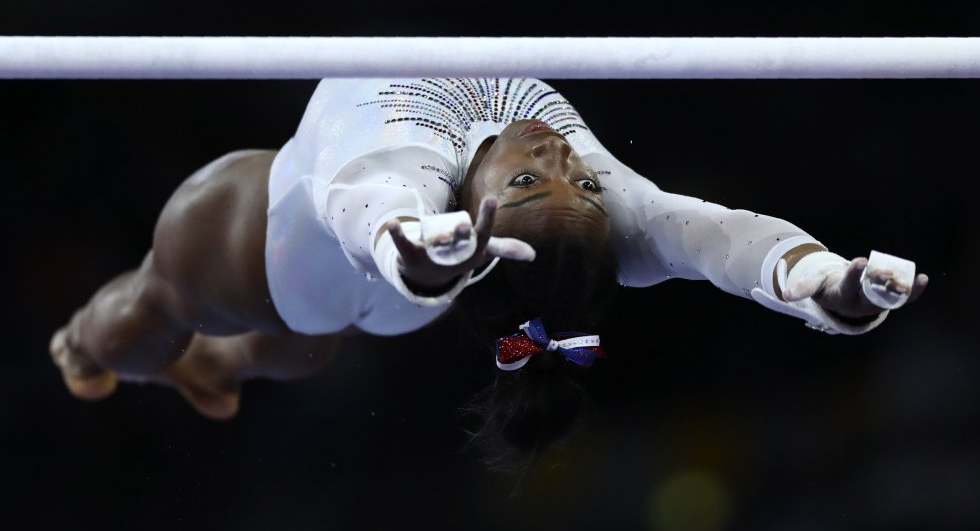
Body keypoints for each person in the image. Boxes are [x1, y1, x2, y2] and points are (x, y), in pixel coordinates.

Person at [50, 77, 928, 470]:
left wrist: (406, 245)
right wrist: (815, 280)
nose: (555, 153)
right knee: (307, 344)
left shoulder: (406, 172)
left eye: (525, 181)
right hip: (383, 296)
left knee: (148, 303)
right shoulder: (587, 198)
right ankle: (223, 365)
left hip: (271, 257)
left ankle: (84, 345)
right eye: (577, 178)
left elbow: (374, 182)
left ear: (479, 219)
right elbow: (716, 238)